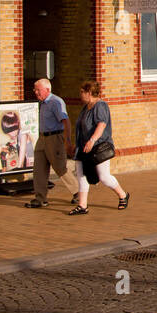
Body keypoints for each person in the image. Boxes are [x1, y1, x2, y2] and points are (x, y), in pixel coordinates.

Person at [70, 80, 129, 215]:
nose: (80, 95)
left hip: (97, 147)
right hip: (83, 148)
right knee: (81, 176)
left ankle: (123, 195)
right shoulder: (86, 108)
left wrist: (92, 140)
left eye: (82, 92)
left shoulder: (100, 106)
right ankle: (82, 205)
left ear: (89, 93)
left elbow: (101, 124)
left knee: (104, 176)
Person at [25, 78, 78, 208]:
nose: (36, 92)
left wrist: (67, 141)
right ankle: (40, 198)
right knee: (39, 169)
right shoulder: (42, 103)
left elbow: (66, 122)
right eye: (35, 90)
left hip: (55, 138)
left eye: (38, 90)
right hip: (42, 138)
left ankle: (78, 193)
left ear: (48, 90)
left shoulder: (56, 102)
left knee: (60, 167)